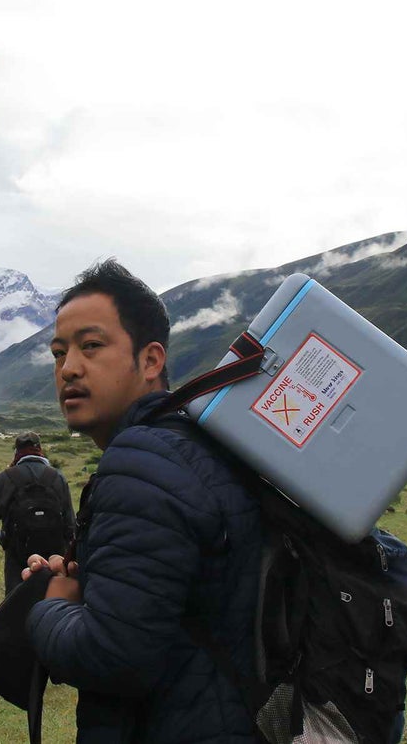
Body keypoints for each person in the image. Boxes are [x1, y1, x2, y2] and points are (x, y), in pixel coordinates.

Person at [24, 259, 262, 743]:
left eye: (91, 347)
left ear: (151, 361)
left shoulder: (143, 462)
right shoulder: (190, 445)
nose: (69, 368)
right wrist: (96, 579)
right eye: (58, 353)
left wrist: (50, 608)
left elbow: (114, 659)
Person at [0, 431, 75, 593]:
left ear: (17, 451)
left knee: (16, 597)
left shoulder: (8, 476)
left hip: (17, 549)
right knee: (52, 594)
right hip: (54, 550)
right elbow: (69, 520)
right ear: (40, 449)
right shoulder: (57, 476)